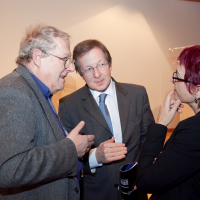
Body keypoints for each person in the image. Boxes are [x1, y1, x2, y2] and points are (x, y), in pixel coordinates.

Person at [0, 24, 95, 200]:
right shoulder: (15, 92)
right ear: (38, 57)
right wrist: (71, 149)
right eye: (65, 59)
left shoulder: (38, 92)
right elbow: (10, 169)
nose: (71, 68)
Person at [58, 39, 155, 200]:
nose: (97, 74)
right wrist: (95, 157)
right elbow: (66, 158)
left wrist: (141, 171)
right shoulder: (68, 105)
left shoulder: (137, 94)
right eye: (88, 69)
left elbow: (148, 141)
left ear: (110, 64)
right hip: (95, 194)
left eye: (101, 65)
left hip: (135, 191)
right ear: (81, 74)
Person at [136, 45, 200, 200]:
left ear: (198, 89)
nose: (172, 80)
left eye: (177, 77)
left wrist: (160, 124)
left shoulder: (194, 130)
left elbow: (145, 180)